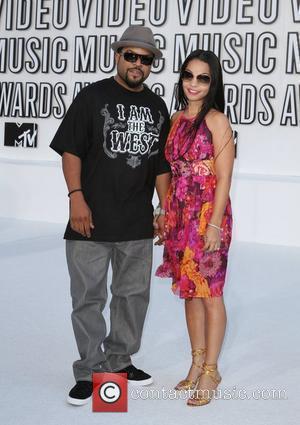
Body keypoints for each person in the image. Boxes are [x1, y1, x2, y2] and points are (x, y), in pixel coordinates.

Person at [50, 25, 171, 405]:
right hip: (91, 220)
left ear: (151, 64)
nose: (137, 64)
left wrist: (164, 209)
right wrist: (76, 198)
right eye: (131, 56)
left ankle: (119, 362)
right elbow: (71, 150)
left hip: (136, 222)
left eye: (145, 59)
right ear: (117, 55)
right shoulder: (92, 97)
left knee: (133, 296)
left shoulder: (156, 106)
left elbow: (161, 166)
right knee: (87, 298)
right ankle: (89, 369)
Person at [155, 49, 234, 406]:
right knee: (189, 291)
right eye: (189, 75)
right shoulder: (175, 119)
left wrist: (215, 223)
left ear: (213, 82)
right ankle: (196, 361)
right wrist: (164, 211)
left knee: (211, 292)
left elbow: (224, 179)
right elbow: (170, 173)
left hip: (207, 216)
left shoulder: (217, 121)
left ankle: (212, 371)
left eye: (203, 78)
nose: (194, 83)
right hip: (179, 214)